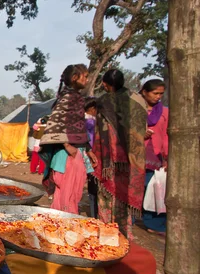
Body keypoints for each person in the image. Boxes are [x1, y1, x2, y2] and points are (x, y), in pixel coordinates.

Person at [92, 69, 147, 238]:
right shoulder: (138, 100)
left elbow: (100, 133)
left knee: (107, 194)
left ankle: (107, 231)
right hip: (132, 157)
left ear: (105, 84)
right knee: (126, 194)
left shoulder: (104, 102)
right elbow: (142, 129)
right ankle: (125, 232)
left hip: (109, 159)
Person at [39, 64, 98, 214]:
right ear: (74, 78)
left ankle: (60, 224)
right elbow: (56, 125)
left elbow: (78, 127)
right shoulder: (69, 98)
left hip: (75, 152)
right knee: (67, 193)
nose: (87, 79)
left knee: (70, 194)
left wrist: (88, 150)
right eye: (84, 76)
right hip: (67, 154)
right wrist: (66, 145)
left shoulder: (75, 98)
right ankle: (62, 225)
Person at [140, 79, 169, 235]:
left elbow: (166, 135)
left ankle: (154, 224)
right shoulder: (136, 109)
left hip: (156, 157)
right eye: (155, 93)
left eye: (161, 94)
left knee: (154, 190)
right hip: (136, 155)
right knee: (136, 188)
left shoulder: (164, 112)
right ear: (144, 92)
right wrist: (140, 134)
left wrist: (167, 158)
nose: (158, 97)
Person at [84, 97, 98, 218]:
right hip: (92, 154)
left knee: (91, 186)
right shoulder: (90, 122)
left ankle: (94, 213)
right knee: (94, 186)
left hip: (88, 154)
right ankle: (95, 214)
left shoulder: (84, 120)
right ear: (93, 109)